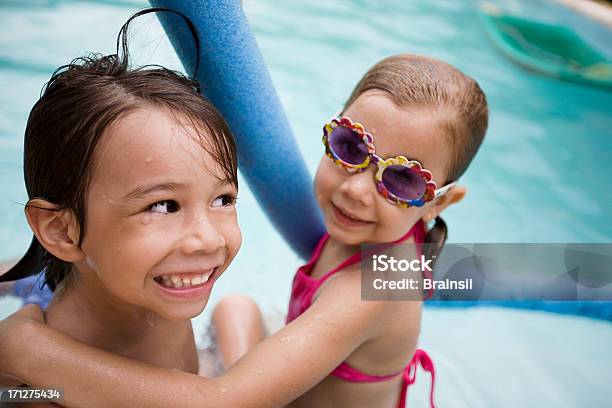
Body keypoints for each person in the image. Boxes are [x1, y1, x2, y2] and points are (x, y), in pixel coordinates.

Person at [0, 54, 488, 408]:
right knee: (236, 308)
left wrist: (29, 352)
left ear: (440, 201)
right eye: (349, 147)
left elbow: (226, 403)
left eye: (402, 179)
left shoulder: (379, 284)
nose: (359, 190)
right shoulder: (368, 222)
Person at [0, 5, 241, 386]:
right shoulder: (36, 387)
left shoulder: (157, 282)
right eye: (163, 206)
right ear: (62, 230)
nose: (208, 238)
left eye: (223, 199)